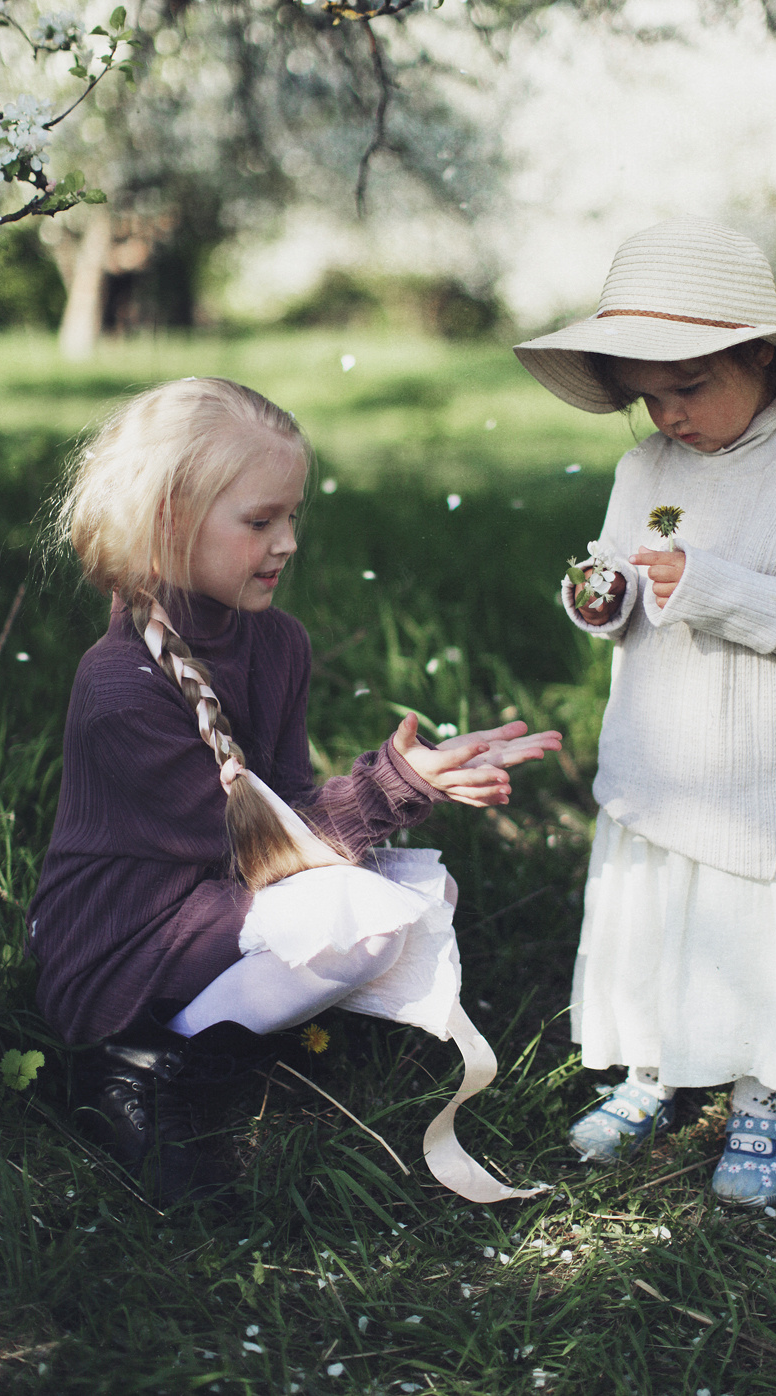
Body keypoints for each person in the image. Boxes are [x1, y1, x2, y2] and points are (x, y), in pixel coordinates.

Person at [30, 377, 560, 1201]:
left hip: (218, 902)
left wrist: (416, 780)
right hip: (123, 951)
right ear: (167, 523)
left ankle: (208, 1042)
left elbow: (285, 807)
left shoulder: (277, 643)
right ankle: (130, 1062)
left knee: (414, 904)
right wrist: (395, 785)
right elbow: (265, 853)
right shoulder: (120, 689)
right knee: (362, 915)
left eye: (292, 516)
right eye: (259, 521)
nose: (287, 542)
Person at [513, 217, 776, 1207]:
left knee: (751, 930)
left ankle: (763, 1092)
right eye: (649, 396)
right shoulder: (645, 469)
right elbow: (615, 568)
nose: (669, 414)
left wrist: (713, 587)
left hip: (760, 770)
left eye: (688, 385)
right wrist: (599, 596)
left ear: (760, 356)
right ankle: (653, 1068)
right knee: (656, 918)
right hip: (660, 753)